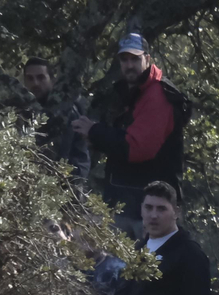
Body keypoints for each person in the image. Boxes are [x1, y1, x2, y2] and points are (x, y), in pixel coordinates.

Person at [74, 34, 192, 236]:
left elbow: (137, 148)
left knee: (147, 265)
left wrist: (95, 132)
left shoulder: (157, 96)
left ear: (147, 58)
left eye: (135, 59)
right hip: (130, 203)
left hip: (149, 212)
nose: (129, 65)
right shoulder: (133, 92)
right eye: (124, 59)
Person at [18, 56, 90, 185]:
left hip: (62, 188)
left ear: (52, 80)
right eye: (30, 78)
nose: (35, 83)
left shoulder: (67, 112)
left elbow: (78, 159)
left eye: (41, 77)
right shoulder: (20, 110)